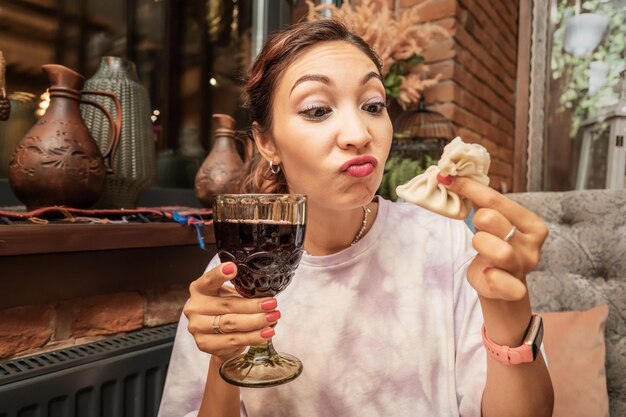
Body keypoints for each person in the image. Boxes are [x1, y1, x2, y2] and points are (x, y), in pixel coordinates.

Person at [158, 19, 554, 417]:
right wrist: (223, 357)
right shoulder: (235, 277)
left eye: (372, 106)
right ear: (267, 142)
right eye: (317, 110)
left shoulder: (445, 244)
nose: (359, 133)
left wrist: (508, 312)